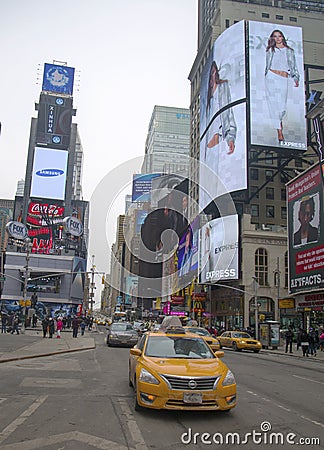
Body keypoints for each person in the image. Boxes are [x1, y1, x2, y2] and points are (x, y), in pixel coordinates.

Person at [265, 29, 300, 144]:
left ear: (282, 37)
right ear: (273, 38)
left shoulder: (289, 51)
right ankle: (279, 132)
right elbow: (267, 63)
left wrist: (296, 78)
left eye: (279, 36)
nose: (278, 38)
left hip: (283, 78)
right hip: (271, 77)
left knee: (282, 107)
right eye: (275, 36)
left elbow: (293, 65)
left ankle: (279, 122)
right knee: (273, 104)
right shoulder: (271, 50)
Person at [204, 61, 237, 158]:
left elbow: (229, 112)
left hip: (221, 140)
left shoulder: (223, 87)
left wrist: (231, 139)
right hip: (209, 146)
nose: (214, 74)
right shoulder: (207, 98)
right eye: (212, 73)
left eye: (215, 71)